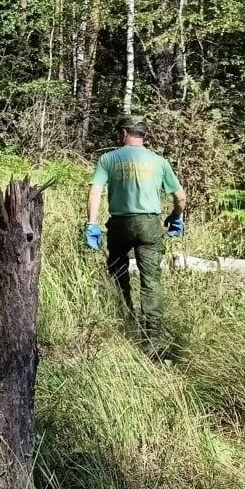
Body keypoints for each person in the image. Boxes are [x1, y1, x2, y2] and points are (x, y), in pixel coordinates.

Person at [84, 115, 187, 344]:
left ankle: (125, 326)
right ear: (144, 135)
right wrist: (176, 217)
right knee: (151, 280)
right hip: (149, 224)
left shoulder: (109, 159)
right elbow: (180, 197)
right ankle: (154, 339)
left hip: (120, 224)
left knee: (118, 274)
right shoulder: (159, 162)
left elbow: (95, 192)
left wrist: (91, 223)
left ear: (123, 133)